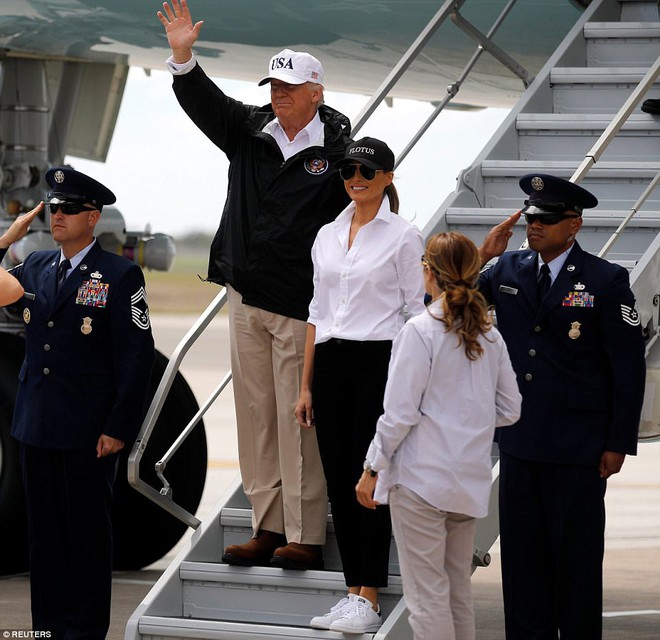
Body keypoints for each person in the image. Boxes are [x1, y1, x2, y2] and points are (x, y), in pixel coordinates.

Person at [157, 0, 352, 570]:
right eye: (274, 85)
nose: (279, 95)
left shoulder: (339, 154)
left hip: (299, 303)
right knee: (255, 414)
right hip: (245, 298)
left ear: (316, 91)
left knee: (298, 419)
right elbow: (203, 102)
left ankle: (305, 532)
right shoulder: (248, 131)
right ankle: (268, 526)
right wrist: (183, 56)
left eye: (290, 87)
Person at [478, 174, 646, 639]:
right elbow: (449, 304)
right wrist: (482, 256)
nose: (535, 226)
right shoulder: (505, 270)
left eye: (547, 219)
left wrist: (617, 443)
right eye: (531, 217)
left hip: (579, 447)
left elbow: (626, 369)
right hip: (520, 441)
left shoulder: (605, 280)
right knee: (522, 561)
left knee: (575, 563)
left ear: (574, 225)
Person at [0, 167, 155, 639]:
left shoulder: (120, 275)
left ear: (93, 217)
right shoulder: (38, 266)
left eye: (68, 209)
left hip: (87, 431)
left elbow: (136, 359)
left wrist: (118, 427)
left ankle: (83, 631)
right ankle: (46, 629)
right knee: (44, 539)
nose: (56, 216)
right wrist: (5, 239)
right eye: (52, 208)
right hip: (36, 426)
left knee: (84, 538)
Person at [355, 231, 522, 640]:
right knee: (457, 595)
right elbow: (511, 409)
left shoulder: (419, 331)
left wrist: (372, 466)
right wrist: (468, 421)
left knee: (427, 598)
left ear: (428, 273)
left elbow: (397, 415)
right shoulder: (490, 335)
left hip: (421, 483)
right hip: (467, 481)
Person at [295, 137, 426, 634]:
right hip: (330, 363)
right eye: (350, 169)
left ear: (387, 178)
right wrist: (306, 385)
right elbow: (316, 314)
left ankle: (369, 596)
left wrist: (411, 382)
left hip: (380, 361)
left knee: (370, 480)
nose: (356, 177)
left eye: (367, 171)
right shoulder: (326, 234)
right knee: (337, 478)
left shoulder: (403, 236)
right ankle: (352, 591)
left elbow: (416, 313)